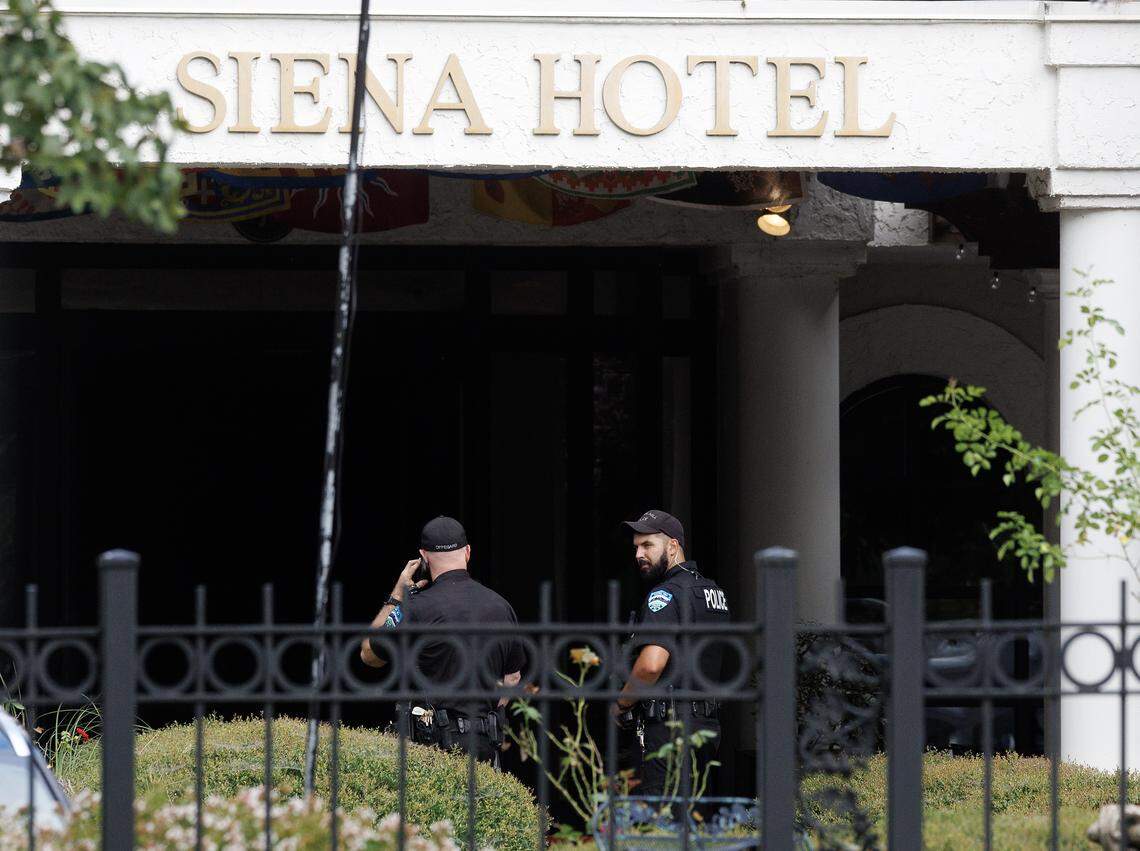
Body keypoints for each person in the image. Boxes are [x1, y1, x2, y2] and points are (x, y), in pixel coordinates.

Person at [360, 515, 525, 763]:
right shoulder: (502, 607)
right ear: (468, 552)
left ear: (424, 557)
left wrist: (397, 595)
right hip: (483, 748)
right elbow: (512, 678)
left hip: (431, 751)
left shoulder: (415, 607)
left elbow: (369, 655)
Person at [611, 509, 729, 802]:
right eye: (636, 546)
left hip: (669, 728)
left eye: (648, 545)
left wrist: (621, 704)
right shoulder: (712, 592)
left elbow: (651, 665)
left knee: (662, 828)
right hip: (707, 727)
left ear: (673, 546)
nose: (639, 554)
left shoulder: (665, 594)